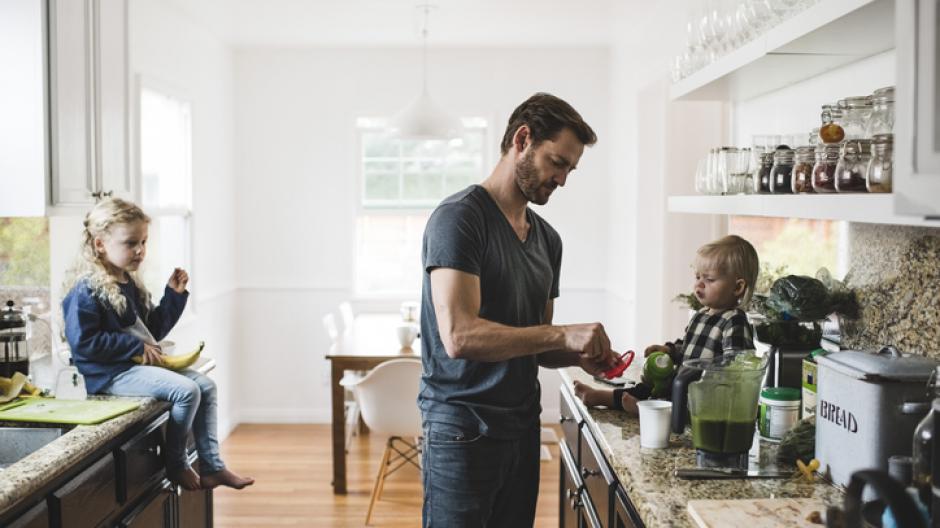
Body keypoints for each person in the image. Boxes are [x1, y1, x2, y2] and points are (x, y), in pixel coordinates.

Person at [419, 92, 622, 527]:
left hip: (522, 427)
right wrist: (562, 335)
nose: (563, 179)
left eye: (570, 168)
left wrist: (582, 355)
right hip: (462, 430)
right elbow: (459, 336)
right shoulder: (460, 219)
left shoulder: (548, 240)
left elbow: (536, 345)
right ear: (522, 139)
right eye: (558, 162)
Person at [62, 197, 253, 491]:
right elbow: (83, 343)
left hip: (135, 368)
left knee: (206, 386)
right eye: (130, 243)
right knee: (186, 390)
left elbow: (150, 331)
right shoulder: (85, 289)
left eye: (143, 242)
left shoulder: (128, 282)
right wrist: (133, 348)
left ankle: (213, 466)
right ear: (100, 244)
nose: (139, 250)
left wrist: (173, 296)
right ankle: (176, 463)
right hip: (110, 375)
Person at [573, 234, 759, 414]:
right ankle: (599, 397)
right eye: (697, 277)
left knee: (674, 404)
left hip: (704, 397)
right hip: (682, 385)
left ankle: (645, 410)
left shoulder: (734, 321)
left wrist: (702, 374)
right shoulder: (700, 315)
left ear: (737, 287)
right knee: (646, 387)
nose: (699, 285)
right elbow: (685, 347)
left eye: (709, 279)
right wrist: (668, 351)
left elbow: (736, 368)